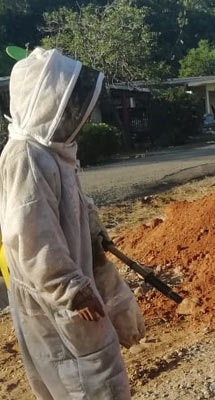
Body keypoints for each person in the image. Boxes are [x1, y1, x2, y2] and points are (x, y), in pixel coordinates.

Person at [0, 47, 144, 399]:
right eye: (70, 104)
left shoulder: (49, 153)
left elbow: (68, 208)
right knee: (87, 377)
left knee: (90, 374)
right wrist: (70, 288)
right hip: (57, 296)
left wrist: (92, 231)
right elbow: (29, 232)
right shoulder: (26, 157)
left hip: (65, 286)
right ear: (46, 102)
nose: (77, 113)